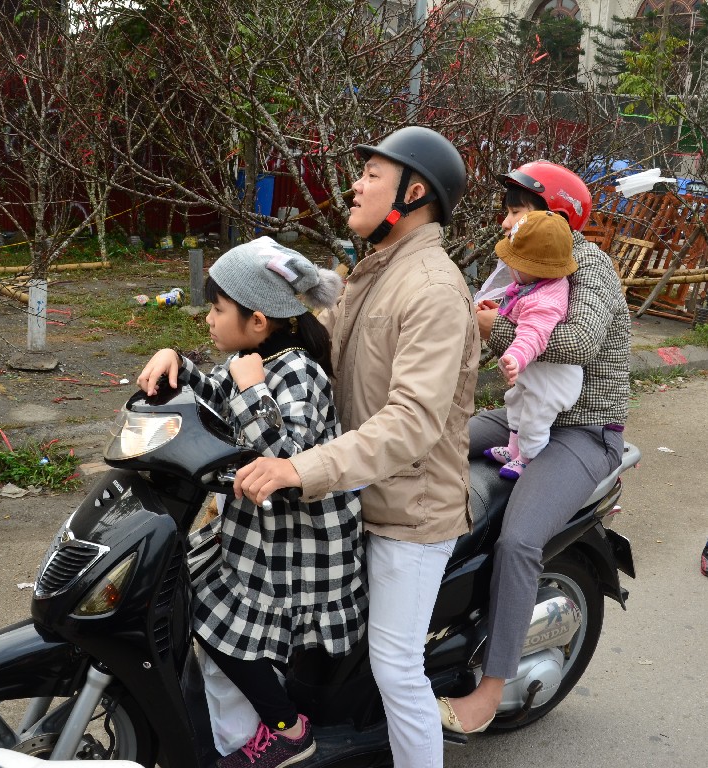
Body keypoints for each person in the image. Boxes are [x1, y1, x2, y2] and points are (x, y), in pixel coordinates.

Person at [232, 126, 480, 768]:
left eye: (372, 173)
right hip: (351, 495)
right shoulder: (379, 269)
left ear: (414, 190)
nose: (356, 183)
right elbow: (333, 341)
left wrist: (298, 467)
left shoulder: (433, 287)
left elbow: (410, 422)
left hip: (409, 510)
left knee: (396, 667)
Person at [137, 236, 368, 768]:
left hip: (298, 545)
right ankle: (240, 737)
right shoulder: (251, 358)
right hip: (257, 532)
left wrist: (248, 389)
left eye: (218, 309)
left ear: (259, 320)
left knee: (220, 627)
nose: (210, 319)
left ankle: (287, 729)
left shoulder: (299, 373)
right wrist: (176, 361)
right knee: (205, 610)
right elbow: (214, 398)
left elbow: (283, 461)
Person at [437, 160, 630, 734]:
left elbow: (579, 340)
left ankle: (489, 693)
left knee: (520, 539)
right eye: (510, 206)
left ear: (557, 218)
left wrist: (491, 328)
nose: (508, 217)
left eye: (520, 208)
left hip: (584, 432)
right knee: (417, 446)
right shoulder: (516, 268)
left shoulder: (589, 265)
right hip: (520, 416)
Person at [485, 209, 583, 480]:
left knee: (534, 419)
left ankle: (528, 458)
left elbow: (533, 334)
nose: (509, 266)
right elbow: (518, 312)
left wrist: (515, 357)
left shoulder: (545, 300)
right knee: (515, 402)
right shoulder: (532, 284)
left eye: (513, 262)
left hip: (551, 379)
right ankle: (513, 448)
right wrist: (499, 310)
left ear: (535, 267)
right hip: (535, 371)